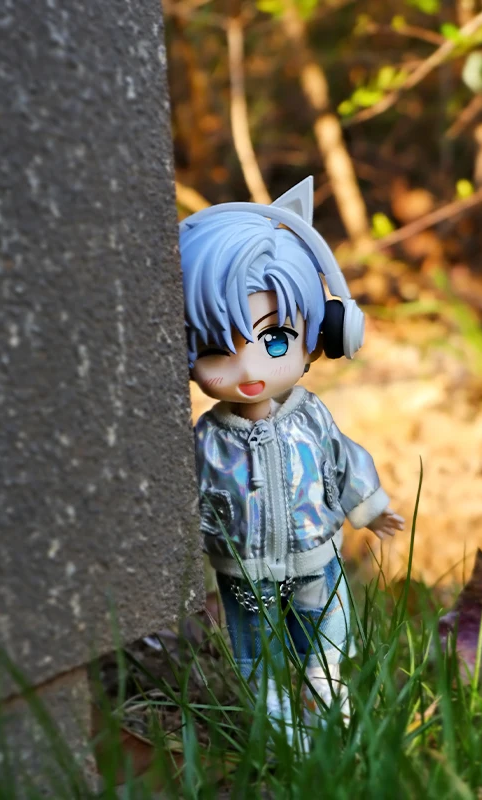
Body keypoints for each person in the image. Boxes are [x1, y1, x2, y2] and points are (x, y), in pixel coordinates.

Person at [179, 178, 404, 745]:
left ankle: (325, 700)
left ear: (325, 333)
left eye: (275, 340)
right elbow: (188, 496)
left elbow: (343, 458)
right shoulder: (208, 438)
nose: (248, 368)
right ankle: (275, 724)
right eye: (215, 349)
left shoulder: (309, 416)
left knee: (325, 640)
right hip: (245, 571)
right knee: (254, 653)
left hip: (315, 557)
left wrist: (370, 507)